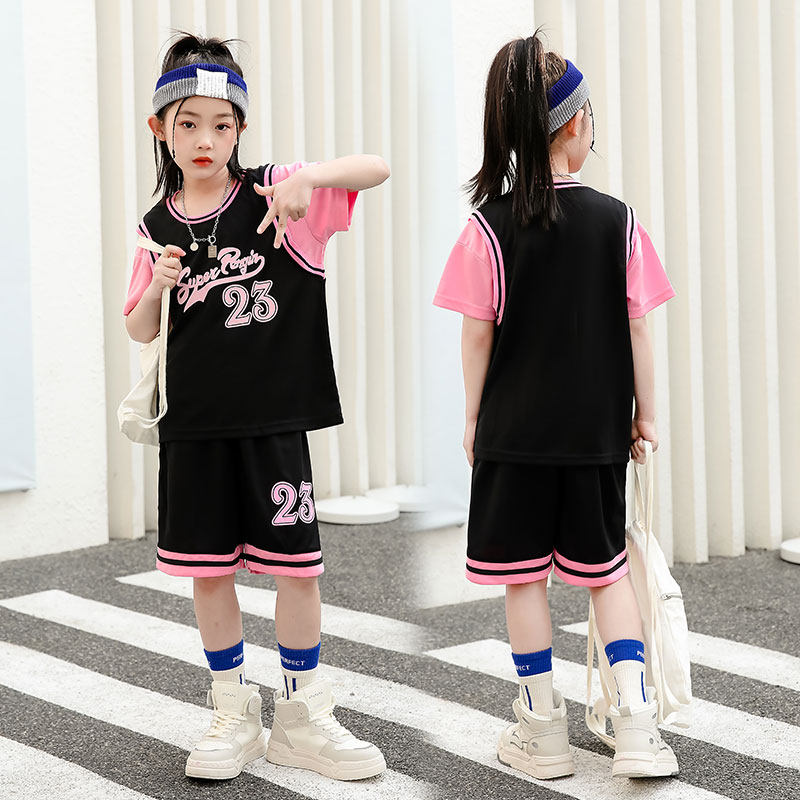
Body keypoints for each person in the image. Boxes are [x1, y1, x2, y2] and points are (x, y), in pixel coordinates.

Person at [123, 33, 390, 782]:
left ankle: (300, 716)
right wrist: (157, 286)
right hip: (195, 431)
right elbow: (139, 328)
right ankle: (232, 712)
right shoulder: (155, 227)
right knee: (210, 574)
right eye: (188, 125)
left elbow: (376, 167)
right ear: (161, 130)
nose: (205, 141)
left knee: (298, 570)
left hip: (274, 426)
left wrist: (312, 179)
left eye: (221, 124)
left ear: (241, 127)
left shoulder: (276, 193)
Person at [434, 32, 678, 780]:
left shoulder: (487, 226)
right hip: (594, 434)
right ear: (574, 126)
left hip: (514, 436)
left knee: (523, 579)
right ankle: (636, 724)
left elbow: (477, 335)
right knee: (606, 574)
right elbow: (638, 327)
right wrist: (644, 415)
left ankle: (542, 732)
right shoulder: (617, 220)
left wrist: (472, 419)